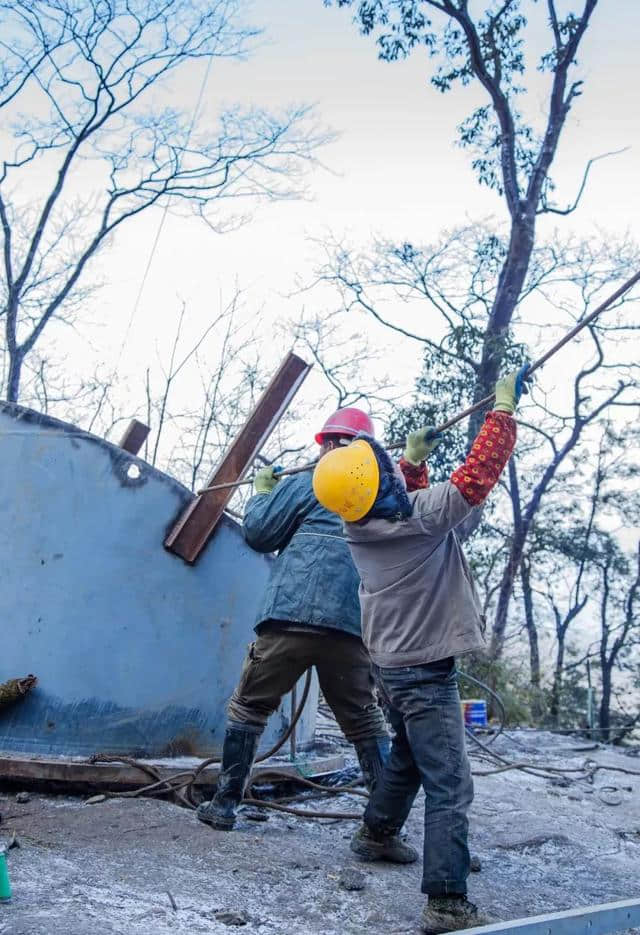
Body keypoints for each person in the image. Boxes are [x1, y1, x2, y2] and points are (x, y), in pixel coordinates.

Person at [312, 369, 527, 934]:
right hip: (426, 676)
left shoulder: (358, 526)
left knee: (408, 757)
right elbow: (475, 480)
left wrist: (410, 466)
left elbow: (396, 497)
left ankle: (376, 834)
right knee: (450, 783)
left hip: (391, 670)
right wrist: (501, 414)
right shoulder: (421, 516)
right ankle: (446, 901)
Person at [197, 406, 427, 849]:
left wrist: (263, 493)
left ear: (325, 444)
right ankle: (383, 831)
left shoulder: (311, 482)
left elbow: (260, 533)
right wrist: (411, 465)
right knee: (364, 723)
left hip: (289, 619)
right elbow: (410, 528)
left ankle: (224, 805)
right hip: (351, 626)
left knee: (249, 708)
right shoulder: (380, 493)